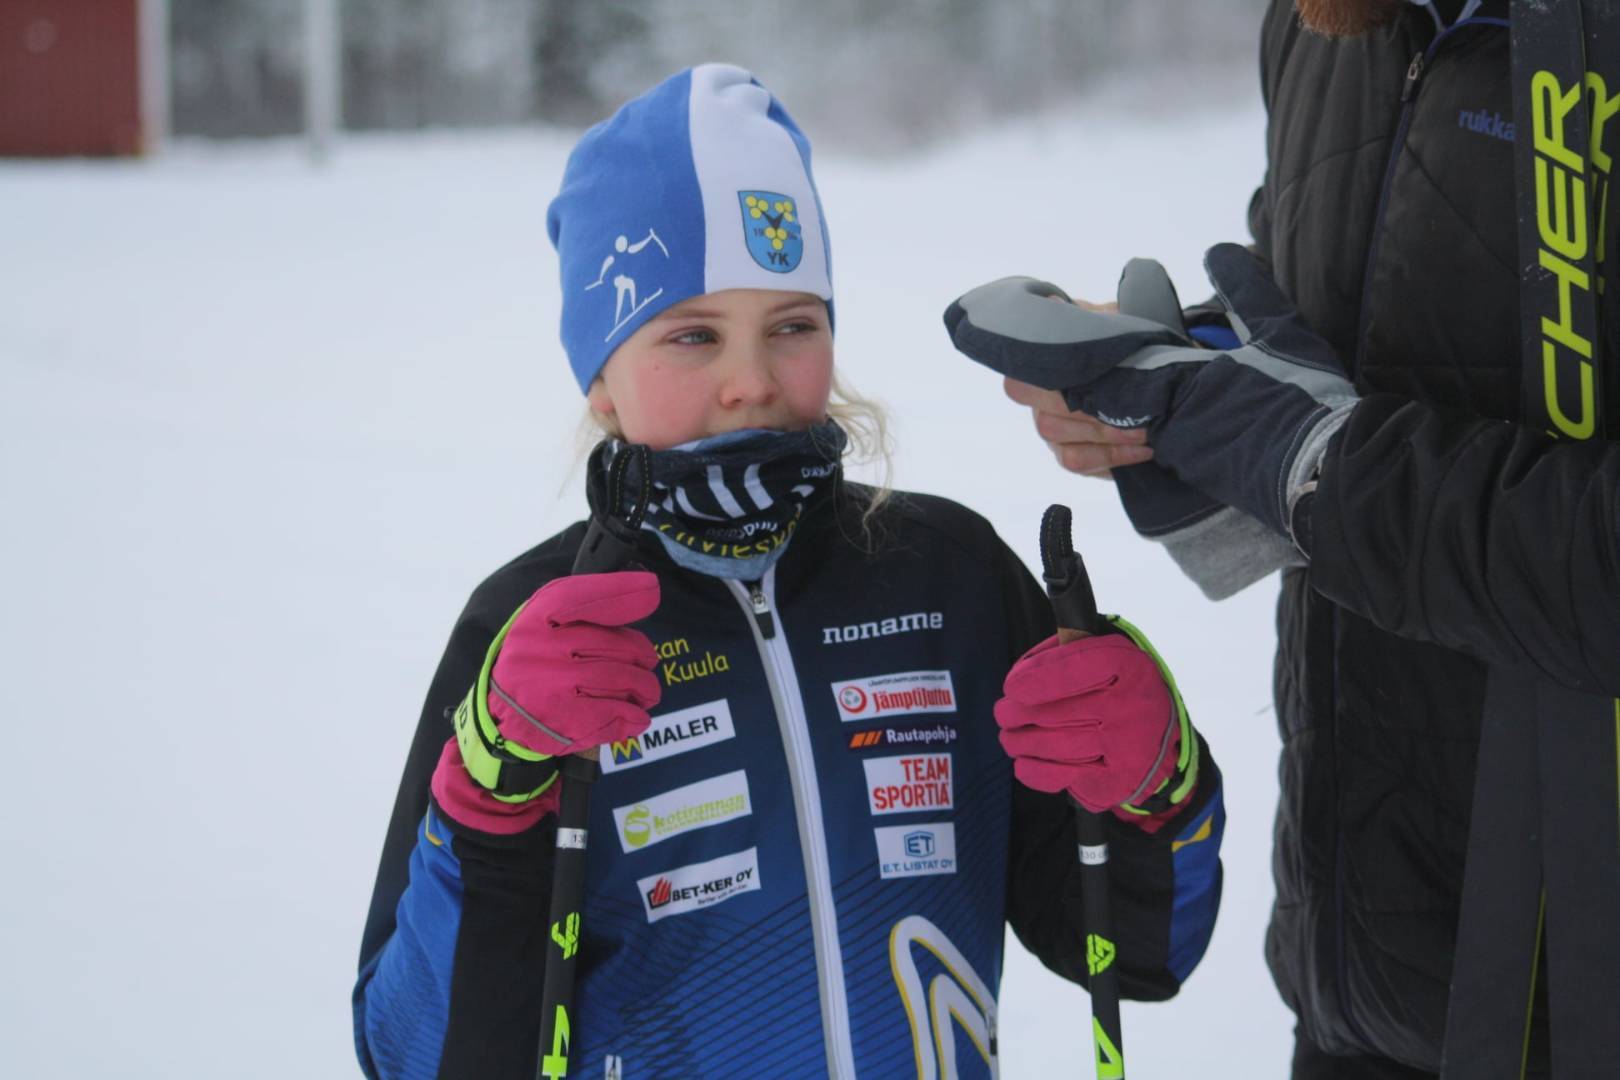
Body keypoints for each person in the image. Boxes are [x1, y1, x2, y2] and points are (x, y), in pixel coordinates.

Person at [352, 64, 1225, 1080]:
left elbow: (1135, 950)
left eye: (793, 326)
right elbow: (416, 1056)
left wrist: (1160, 786)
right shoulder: (538, 632)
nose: (752, 381)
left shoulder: (948, 578)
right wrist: (489, 802)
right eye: (692, 335)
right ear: (599, 377)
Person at [950, 0, 1620, 1076]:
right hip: (1364, 988)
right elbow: (1358, 384)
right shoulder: (1327, 27)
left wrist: (1304, 450)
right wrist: (1190, 417)